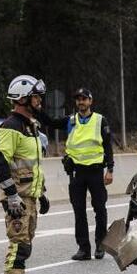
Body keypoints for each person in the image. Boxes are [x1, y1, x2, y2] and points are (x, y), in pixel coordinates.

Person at [0, 75, 51, 274]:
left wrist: (42, 193)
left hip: (30, 197)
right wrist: (11, 196)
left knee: (24, 247)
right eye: (36, 97)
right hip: (18, 200)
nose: (40, 101)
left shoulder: (31, 126)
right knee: (17, 247)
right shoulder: (11, 126)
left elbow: (32, 165)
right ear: (23, 99)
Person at [38, 88, 114, 260]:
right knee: (79, 211)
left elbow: (108, 146)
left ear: (90, 101)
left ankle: (100, 246)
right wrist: (37, 109)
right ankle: (84, 249)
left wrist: (110, 169)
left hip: (95, 171)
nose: (81, 102)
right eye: (78, 99)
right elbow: (50, 122)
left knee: (100, 209)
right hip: (76, 173)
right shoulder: (70, 120)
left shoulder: (100, 120)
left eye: (84, 99)